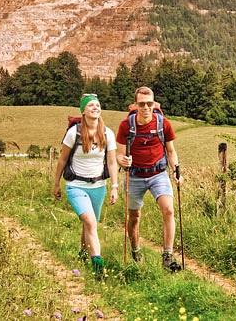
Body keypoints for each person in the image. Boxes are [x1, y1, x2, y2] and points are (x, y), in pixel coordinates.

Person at [116, 86, 183, 271]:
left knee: (168, 210)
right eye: (142, 104)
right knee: (134, 216)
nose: (146, 107)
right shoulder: (126, 126)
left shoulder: (163, 123)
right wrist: (123, 161)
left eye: (149, 103)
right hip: (135, 175)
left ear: (154, 104)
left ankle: (167, 256)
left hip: (158, 174)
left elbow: (170, 151)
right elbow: (119, 156)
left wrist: (176, 171)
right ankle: (136, 251)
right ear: (135, 105)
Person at [53, 93, 118, 278]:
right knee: (90, 222)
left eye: (97, 105)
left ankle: (83, 253)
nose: (95, 108)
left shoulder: (107, 133)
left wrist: (114, 186)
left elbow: (112, 162)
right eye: (91, 105)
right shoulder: (74, 133)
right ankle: (97, 264)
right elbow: (63, 158)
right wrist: (56, 183)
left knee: (89, 225)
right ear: (83, 111)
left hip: (98, 186)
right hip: (76, 185)